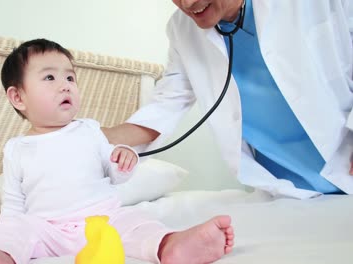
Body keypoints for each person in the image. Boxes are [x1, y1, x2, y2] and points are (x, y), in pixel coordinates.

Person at [0, 38, 234, 264]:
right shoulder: (16, 149)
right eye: (50, 77)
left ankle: (171, 246)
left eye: (70, 77)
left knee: (137, 220)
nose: (65, 86)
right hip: (47, 229)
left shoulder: (90, 131)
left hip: (102, 219)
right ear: (18, 97)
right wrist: (10, 231)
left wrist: (122, 162)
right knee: (17, 227)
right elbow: (13, 205)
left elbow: (113, 175)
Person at [103, 0, 353, 198]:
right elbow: (164, 107)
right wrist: (89, 134)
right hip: (290, 191)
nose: (188, 3)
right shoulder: (181, 30)